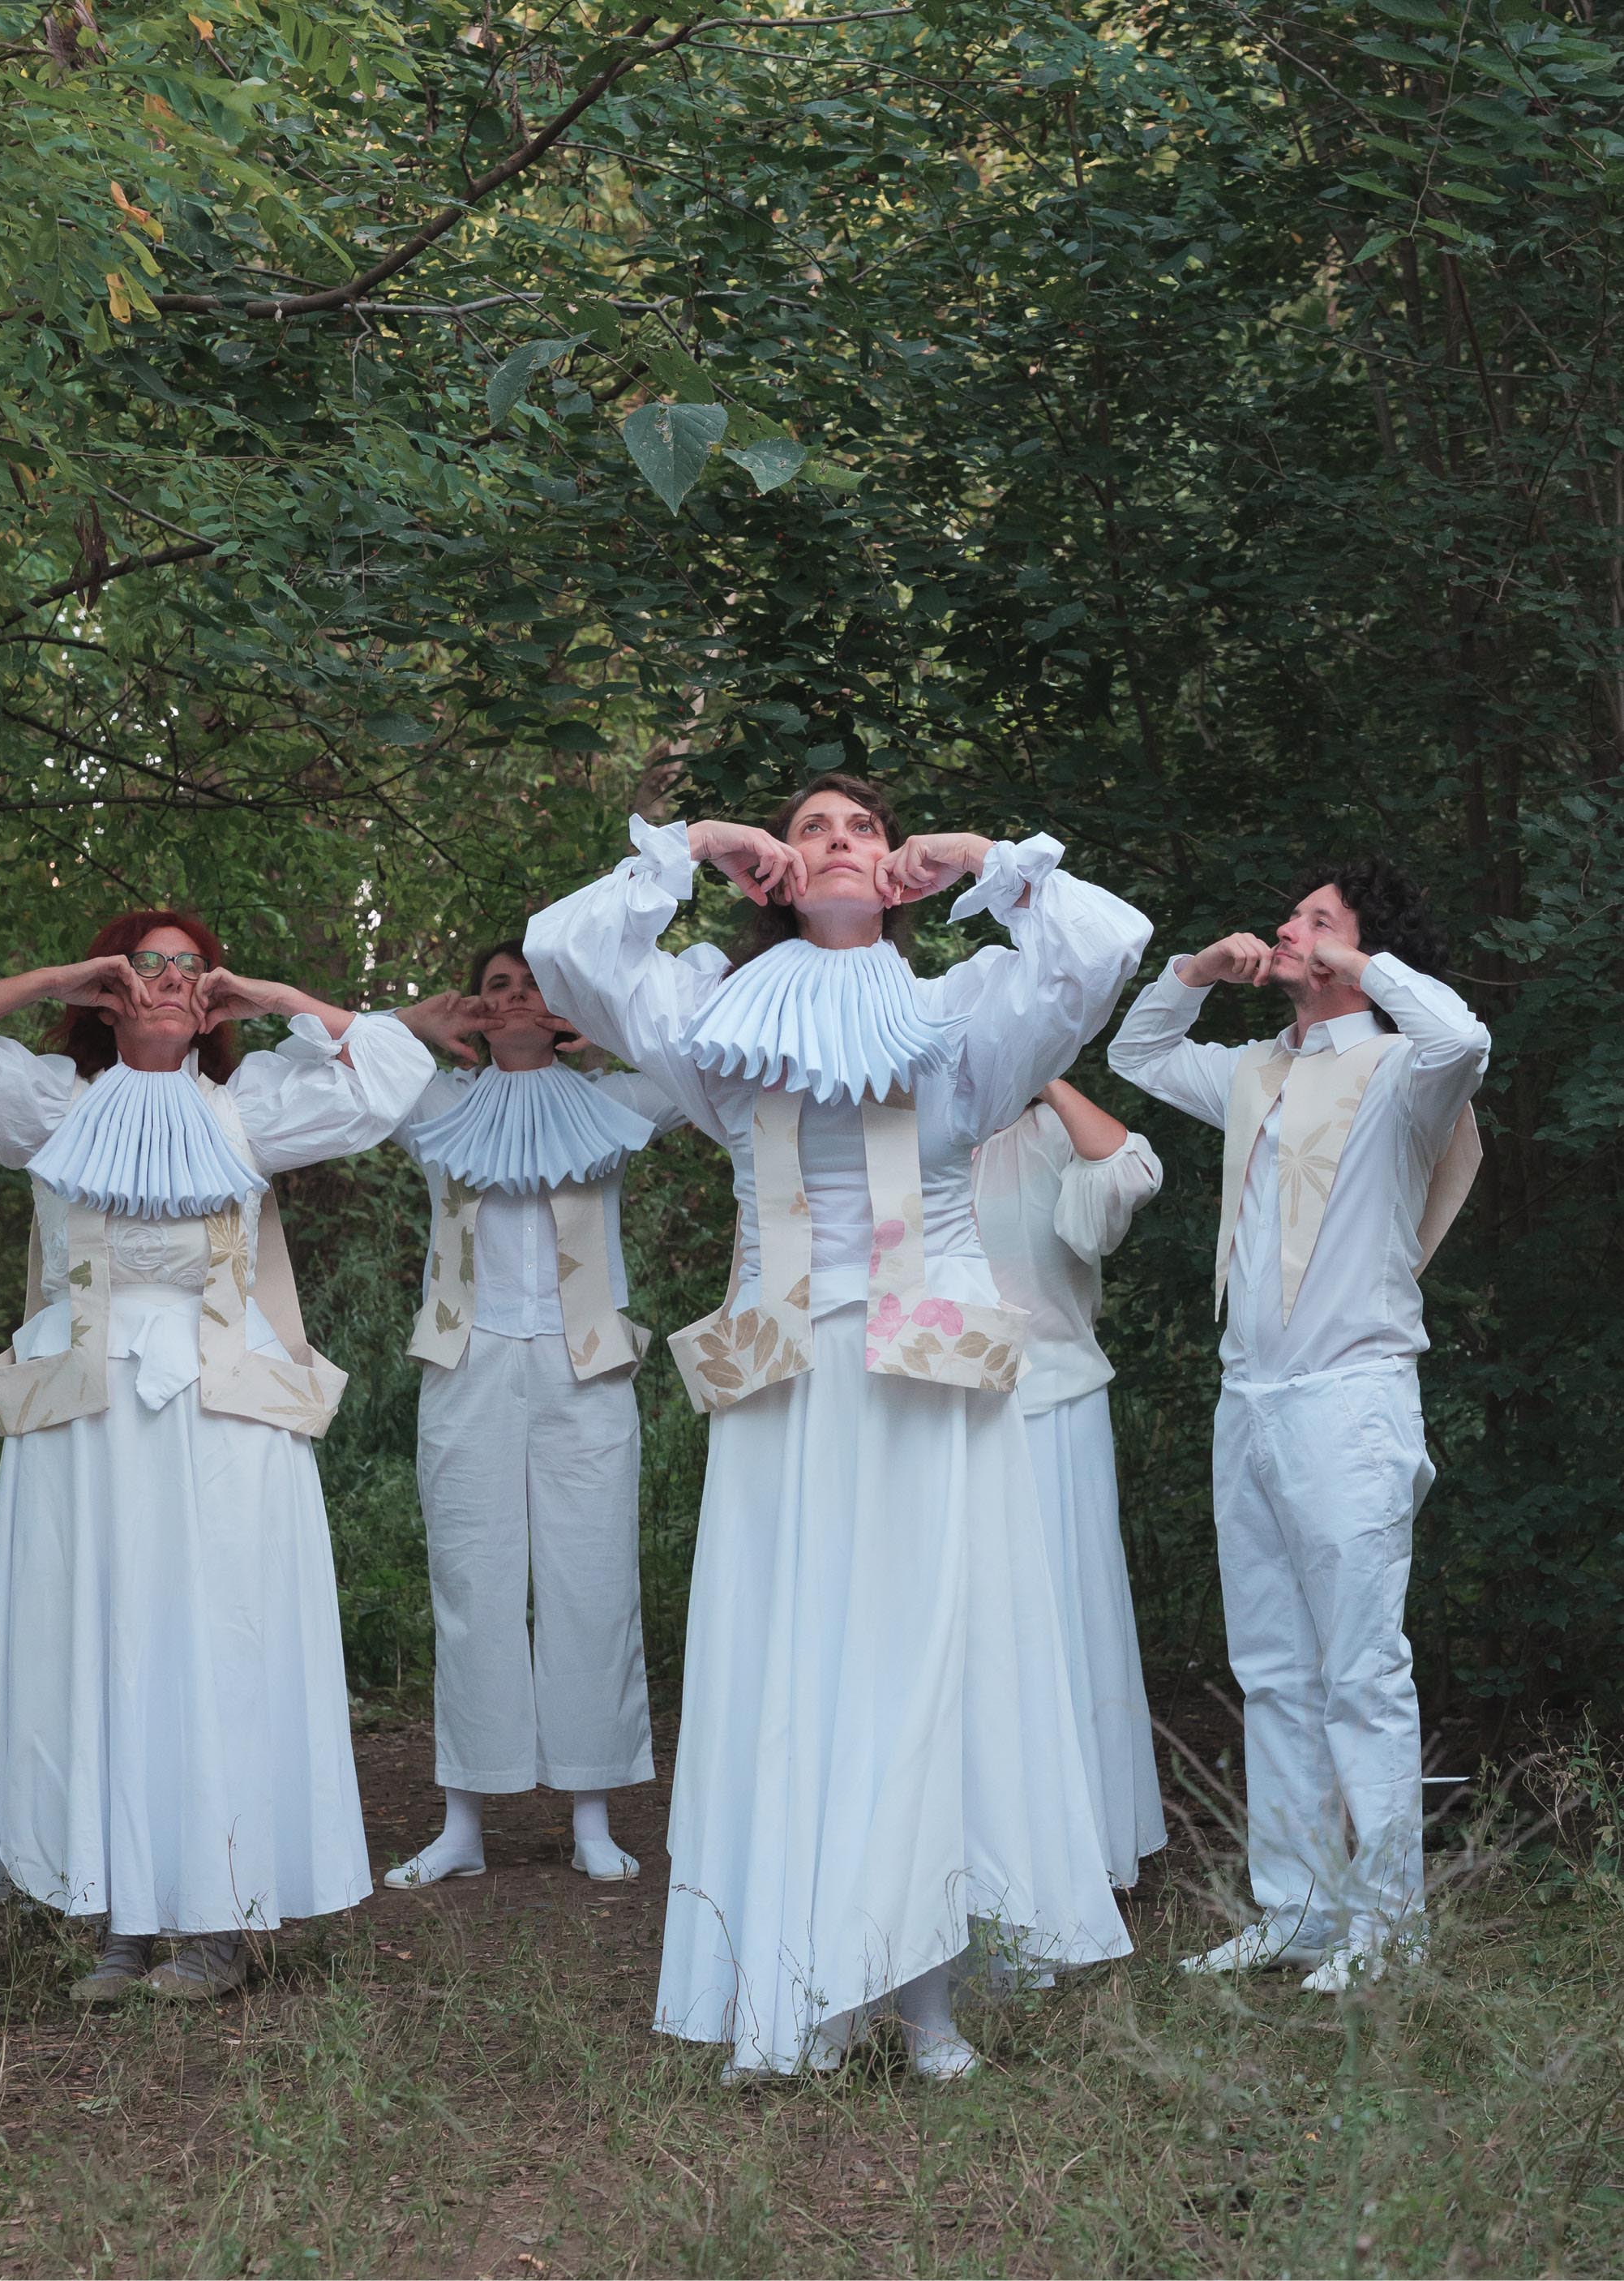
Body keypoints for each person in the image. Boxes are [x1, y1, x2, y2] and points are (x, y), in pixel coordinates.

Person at [525, 774, 1151, 2082]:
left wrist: (975, 853)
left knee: (924, 1660)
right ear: (778, 870)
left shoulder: (958, 1014)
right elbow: (564, 951)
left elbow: (1103, 946)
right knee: (792, 1659)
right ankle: (788, 1986)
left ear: (893, 863)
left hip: (927, 1374)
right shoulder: (715, 1012)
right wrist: (698, 844)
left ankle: (926, 2002)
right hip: (787, 1377)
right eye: (812, 827)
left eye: (861, 827)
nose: (840, 842)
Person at [0, 913, 438, 2003]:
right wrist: (54, 976)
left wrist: (270, 997)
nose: (169, 979)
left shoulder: (249, 1105)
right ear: (109, 986)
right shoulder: (49, 1104)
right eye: (146, 964)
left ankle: (219, 1919)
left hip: (226, 1412)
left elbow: (394, 1069)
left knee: (217, 1642)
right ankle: (122, 1916)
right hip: (82, 1413)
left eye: (189, 965)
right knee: (98, 1640)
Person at [1107, 860, 1489, 1993]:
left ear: (1359, 952)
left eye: (1316, 920)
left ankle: (1389, 1923)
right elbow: (1136, 1056)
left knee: (1361, 1668)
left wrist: (1360, 963)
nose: (1288, 928)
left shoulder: (1401, 1071)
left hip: (1349, 1400)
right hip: (1249, 1401)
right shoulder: (1253, 1071)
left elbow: (1464, 1037)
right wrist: (1191, 972)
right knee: (1272, 1667)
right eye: (1293, 915)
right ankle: (1298, 1909)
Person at [384, 941, 683, 1889]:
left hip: (584, 1359)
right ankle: (464, 1820)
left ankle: (592, 1813)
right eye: (497, 985)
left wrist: (612, 1024)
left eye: (534, 985)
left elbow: (706, 1053)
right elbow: (336, 1061)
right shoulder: (437, 1102)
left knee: (591, 1578)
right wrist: (414, 1024)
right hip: (465, 1356)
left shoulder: (616, 1099)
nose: (515, 996)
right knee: (471, 1579)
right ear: (476, 1008)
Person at [971, 1078, 1168, 1890]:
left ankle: (1081, 1852)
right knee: (979, 1632)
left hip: (1052, 1403)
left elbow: (1128, 1172)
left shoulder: (1051, 1132)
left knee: (1062, 1623)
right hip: (945, 1410)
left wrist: (1047, 1075)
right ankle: (986, 1859)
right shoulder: (912, 1140)